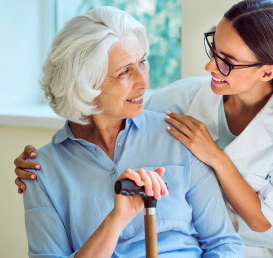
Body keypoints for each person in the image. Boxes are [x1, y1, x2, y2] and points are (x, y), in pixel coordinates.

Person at [14, 1, 273, 257]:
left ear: (267, 72)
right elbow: (98, 111)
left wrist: (215, 157)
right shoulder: (181, 101)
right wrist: (48, 161)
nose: (210, 66)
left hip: (247, 246)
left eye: (227, 61)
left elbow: (254, 225)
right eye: (213, 49)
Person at [18, 6, 244, 258]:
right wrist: (116, 219)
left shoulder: (179, 136)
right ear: (85, 83)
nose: (144, 81)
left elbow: (225, 245)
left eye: (142, 62)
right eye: (125, 71)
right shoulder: (41, 171)